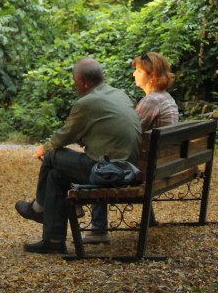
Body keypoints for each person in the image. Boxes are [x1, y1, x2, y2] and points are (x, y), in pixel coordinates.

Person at [14, 57, 141, 254]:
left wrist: (44, 148)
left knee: (51, 156)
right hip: (129, 168)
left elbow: (64, 136)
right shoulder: (119, 94)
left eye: (75, 81)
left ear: (82, 81)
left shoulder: (87, 102)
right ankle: (54, 240)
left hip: (108, 171)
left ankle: (39, 207)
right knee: (56, 177)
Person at [84, 51, 179, 243]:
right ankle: (147, 219)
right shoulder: (165, 98)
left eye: (138, 70)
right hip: (162, 164)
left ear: (151, 75)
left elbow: (127, 134)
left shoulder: (151, 101)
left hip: (147, 169)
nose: (134, 74)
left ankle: (97, 228)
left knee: (103, 160)